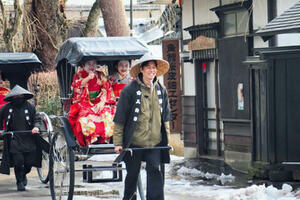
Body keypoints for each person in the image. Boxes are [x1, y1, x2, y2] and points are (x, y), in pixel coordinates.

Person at [113, 53, 171, 200]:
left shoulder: (161, 90)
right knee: (132, 174)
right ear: (141, 70)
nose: (152, 70)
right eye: (148, 68)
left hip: (154, 143)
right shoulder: (129, 90)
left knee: (155, 171)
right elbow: (120, 118)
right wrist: (118, 142)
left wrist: (167, 139)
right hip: (134, 142)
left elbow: (166, 118)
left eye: (154, 68)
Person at [0, 85, 49, 191]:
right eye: (16, 96)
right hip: (14, 138)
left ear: (23, 96)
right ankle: (19, 181)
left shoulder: (30, 107)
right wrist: (1, 130)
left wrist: (36, 127)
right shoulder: (6, 108)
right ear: (12, 97)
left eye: (20, 95)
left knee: (29, 162)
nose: (18, 97)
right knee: (18, 161)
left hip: (29, 137)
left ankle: (23, 174)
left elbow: (37, 118)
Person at [68, 60, 116, 146]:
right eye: (89, 64)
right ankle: (89, 140)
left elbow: (107, 88)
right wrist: (88, 78)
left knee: (107, 113)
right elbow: (76, 86)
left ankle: (104, 139)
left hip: (98, 102)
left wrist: (102, 102)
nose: (91, 66)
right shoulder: (78, 75)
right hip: (83, 102)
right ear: (83, 65)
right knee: (85, 117)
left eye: (94, 64)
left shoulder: (100, 75)